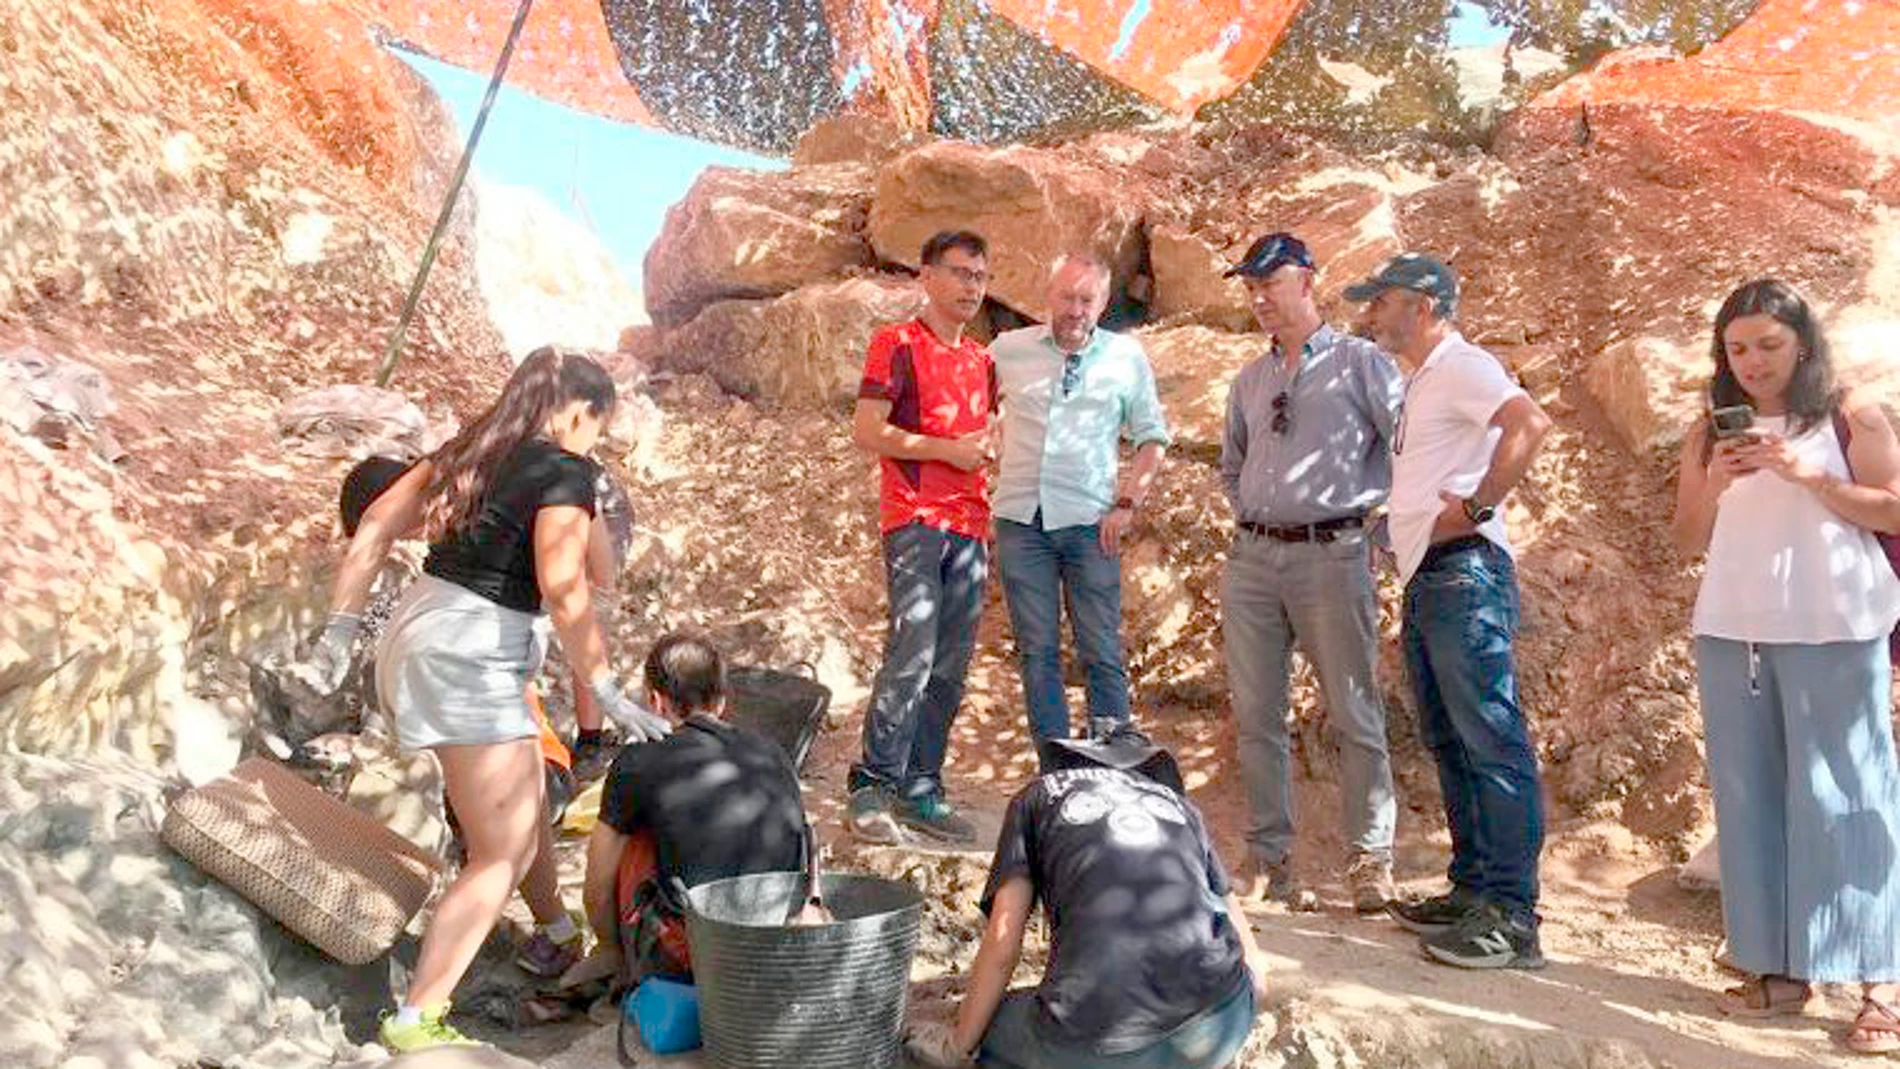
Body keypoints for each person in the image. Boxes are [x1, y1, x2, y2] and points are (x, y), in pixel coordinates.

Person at [303, 347, 672, 1052]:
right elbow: (573, 587)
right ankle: (417, 1017)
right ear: (579, 410)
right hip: (472, 651)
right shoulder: (565, 470)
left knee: (527, 797)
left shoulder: (476, 450)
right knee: (498, 849)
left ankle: (557, 934)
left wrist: (339, 629)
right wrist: (603, 685)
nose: (597, 441)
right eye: (600, 426)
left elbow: (376, 523)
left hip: (424, 628)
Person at [1669, 278, 1900, 1051]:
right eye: (1738, 347)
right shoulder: (1709, 430)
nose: (1754, 361)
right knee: (1750, 797)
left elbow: (1893, 507)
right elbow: (1686, 537)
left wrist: (1809, 476)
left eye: (1769, 344)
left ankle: (1880, 978)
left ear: (1802, 341)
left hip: (1836, 627)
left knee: (1849, 794)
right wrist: (1716, 480)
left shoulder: (1850, 413)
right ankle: (1776, 968)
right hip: (1734, 630)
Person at [1350, 253, 1553, 970]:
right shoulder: (1425, 380)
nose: (1372, 313)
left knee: (1490, 737)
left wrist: (1477, 506)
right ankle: (1474, 890)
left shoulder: (1463, 365)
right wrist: (1395, 526)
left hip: (1464, 574)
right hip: (1433, 577)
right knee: (1454, 738)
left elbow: (1529, 423)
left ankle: (1511, 912)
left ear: (1425, 305)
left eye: (1382, 300)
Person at [1217, 232, 1402, 914]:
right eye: (1251, 287)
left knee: (1354, 710)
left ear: (1308, 281)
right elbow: (1231, 464)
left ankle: (1368, 861)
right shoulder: (1250, 377)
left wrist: (1380, 531)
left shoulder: (1362, 364)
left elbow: (1406, 445)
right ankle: (1270, 858)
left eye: (1273, 282)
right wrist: (1253, 517)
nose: (1261, 297)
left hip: (1334, 554)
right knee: (1258, 713)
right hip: (1254, 560)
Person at [904, 729, 1270, 1069]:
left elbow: (1003, 944)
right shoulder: (1182, 808)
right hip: (1220, 1022)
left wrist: (957, 1046)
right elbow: (1254, 964)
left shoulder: (1037, 795)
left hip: (1096, 1045)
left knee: (989, 1022)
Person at [845, 229, 998, 846]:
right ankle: (872, 784)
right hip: (913, 517)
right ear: (926, 276)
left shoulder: (983, 362)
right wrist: (948, 452)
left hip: (971, 525)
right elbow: (867, 429)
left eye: (980, 276)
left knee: (952, 661)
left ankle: (921, 787)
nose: (971, 287)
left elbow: (984, 436)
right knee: (913, 647)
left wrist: (987, 452)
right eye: (960, 273)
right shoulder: (896, 344)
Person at [568, 633, 819, 992]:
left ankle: (625, 964)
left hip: (694, 957)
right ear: (721, 701)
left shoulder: (640, 761)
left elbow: (597, 882)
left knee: (634, 837)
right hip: (775, 941)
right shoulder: (773, 752)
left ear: (655, 701)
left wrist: (608, 946)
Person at [990, 254, 1170, 753]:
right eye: (1066, 297)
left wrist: (1128, 502)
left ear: (1103, 302)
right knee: (1037, 651)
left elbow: (1152, 437)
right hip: (1021, 522)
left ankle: (1115, 764)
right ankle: (1057, 770)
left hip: (1092, 525)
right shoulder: (1007, 350)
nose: (1075, 309)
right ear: (1047, 296)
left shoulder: (1125, 358)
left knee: (1101, 648)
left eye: (1086, 299)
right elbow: (969, 410)